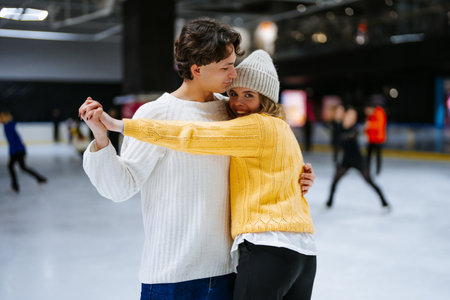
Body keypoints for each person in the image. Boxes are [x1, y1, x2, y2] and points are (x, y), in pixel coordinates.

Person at [81, 18, 315, 300]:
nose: (234, 73)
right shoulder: (154, 115)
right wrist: (102, 138)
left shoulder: (232, 112)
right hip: (172, 276)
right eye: (226, 66)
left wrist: (296, 176)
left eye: (233, 63)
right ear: (197, 69)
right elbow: (120, 188)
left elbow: (265, 159)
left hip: (227, 273)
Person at [326, 107, 390, 210]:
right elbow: (335, 139)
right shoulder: (338, 127)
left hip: (358, 161)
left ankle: (384, 202)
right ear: (345, 115)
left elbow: (347, 136)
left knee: (370, 181)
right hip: (346, 160)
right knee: (335, 181)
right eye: (349, 115)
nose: (351, 118)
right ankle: (329, 202)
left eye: (353, 117)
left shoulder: (354, 129)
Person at [0, 109, 47, 193]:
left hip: (17, 151)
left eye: (1, 117)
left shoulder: (8, 125)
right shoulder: (7, 125)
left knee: (14, 167)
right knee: (21, 167)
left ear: (4, 117)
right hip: (17, 150)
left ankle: (16, 186)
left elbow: (13, 140)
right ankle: (40, 179)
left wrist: (13, 152)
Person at [364, 103, 386, 175]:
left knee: (377, 156)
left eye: (367, 110)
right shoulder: (370, 115)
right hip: (371, 139)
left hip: (378, 139)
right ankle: (367, 169)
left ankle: (378, 170)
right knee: (368, 156)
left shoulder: (379, 113)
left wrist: (369, 125)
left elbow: (380, 125)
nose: (366, 112)